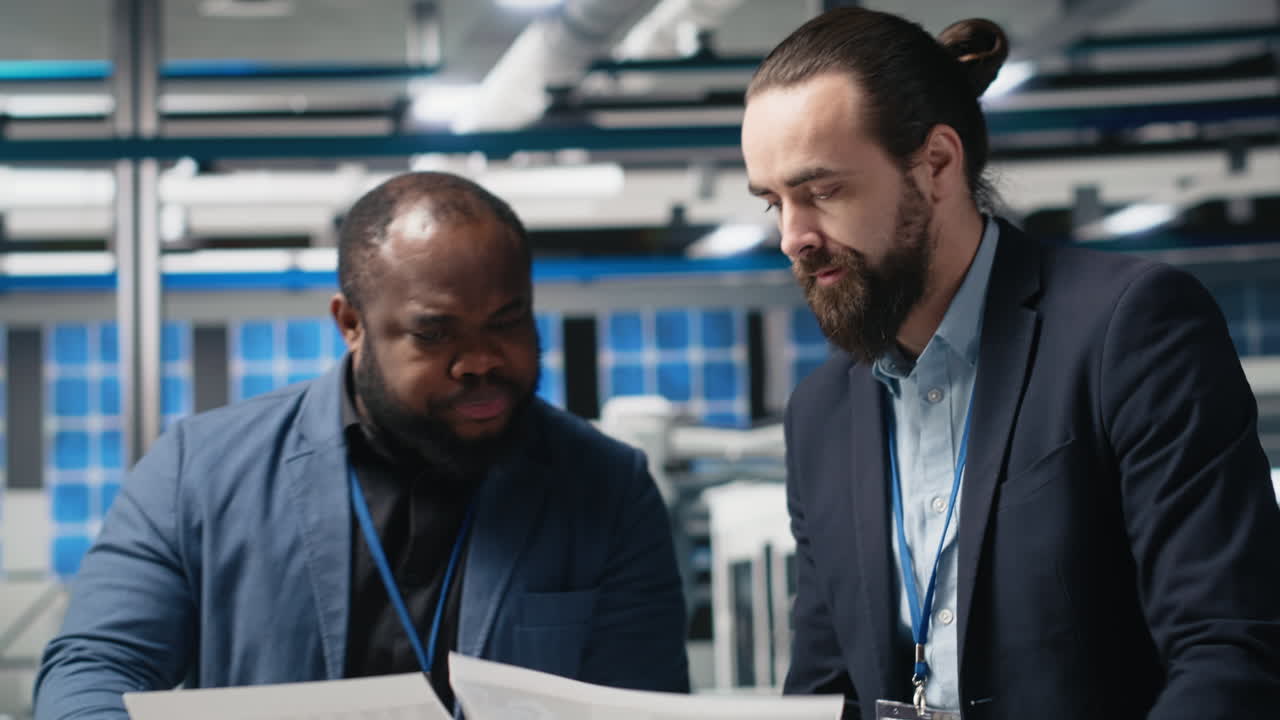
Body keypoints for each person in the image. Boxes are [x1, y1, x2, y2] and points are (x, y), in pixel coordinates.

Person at [741, 7, 1280, 719]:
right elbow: (824, 686)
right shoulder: (821, 414)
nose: (793, 237)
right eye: (774, 202)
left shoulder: (1130, 330)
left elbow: (1231, 651)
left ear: (935, 164)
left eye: (822, 191)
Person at [34, 171, 690, 719]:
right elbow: (92, 670)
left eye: (507, 321)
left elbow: (637, 705)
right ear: (352, 324)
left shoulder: (606, 488)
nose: (480, 361)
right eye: (436, 334)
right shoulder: (199, 471)